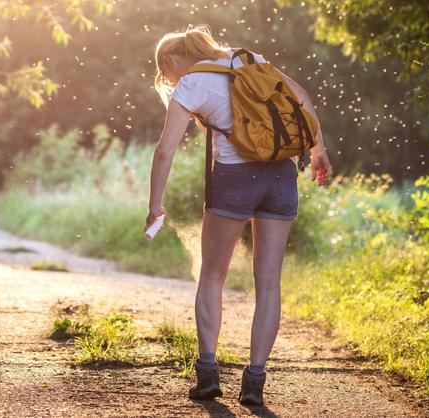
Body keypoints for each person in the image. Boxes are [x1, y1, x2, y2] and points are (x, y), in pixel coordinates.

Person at [145, 25, 332, 406]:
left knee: (212, 276)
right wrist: (317, 151)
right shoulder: (249, 60)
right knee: (268, 284)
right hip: (281, 176)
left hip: (233, 179)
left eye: (167, 72)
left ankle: (209, 375)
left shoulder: (192, 83)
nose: (169, 80)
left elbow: (166, 150)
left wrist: (154, 204)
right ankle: (255, 383)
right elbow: (301, 96)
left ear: (172, 62)